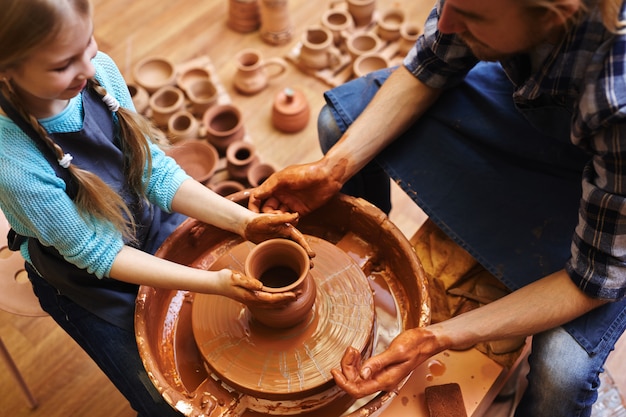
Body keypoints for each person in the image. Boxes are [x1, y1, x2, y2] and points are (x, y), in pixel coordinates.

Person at [249, 0, 626, 415]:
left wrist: (437, 337)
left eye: (475, 17)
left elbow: (591, 281)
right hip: (536, 114)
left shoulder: (616, 96)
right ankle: (366, 275)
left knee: (563, 373)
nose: (445, 20)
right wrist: (331, 171)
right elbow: (430, 64)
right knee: (336, 126)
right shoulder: (480, 12)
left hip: (610, 189)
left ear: (553, 14)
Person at [0, 0, 314, 416]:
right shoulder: (13, 162)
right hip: (87, 278)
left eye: (89, 45)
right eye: (63, 65)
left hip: (146, 220)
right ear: (7, 70)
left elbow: (154, 175)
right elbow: (99, 254)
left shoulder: (100, 73)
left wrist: (246, 222)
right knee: (168, 403)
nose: (89, 69)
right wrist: (216, 284)